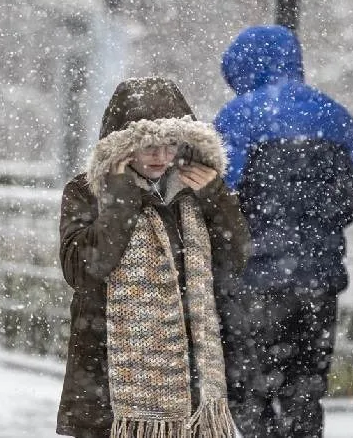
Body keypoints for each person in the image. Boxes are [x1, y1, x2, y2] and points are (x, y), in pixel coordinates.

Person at [56, 76, 251, 438]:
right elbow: (83, 268)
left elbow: (236, 257)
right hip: (107, 383)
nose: (162, 157)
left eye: (171, 145)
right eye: (149, 147)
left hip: (188, 383)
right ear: (122, 147)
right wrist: (121, 198)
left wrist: (216, 197)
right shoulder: (86, 192)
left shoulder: (194, 191)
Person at [214, 25, 353, 438]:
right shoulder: (336, 116)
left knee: (249, 393)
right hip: (318, 282)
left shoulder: (238, 117)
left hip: (252, 283)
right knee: (305, 393)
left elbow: (220, 198)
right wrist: (312, 232)